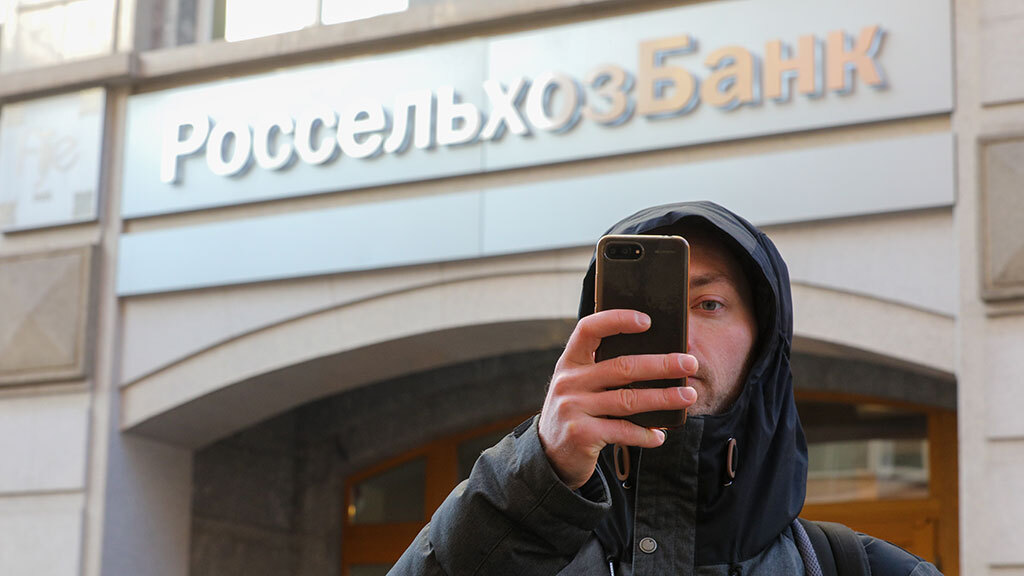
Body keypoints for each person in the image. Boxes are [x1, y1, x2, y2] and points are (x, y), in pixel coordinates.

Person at [391, 201, 942, 575]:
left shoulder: (870, 569)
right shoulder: (523, 553)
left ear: (763, 341)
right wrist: (539, 474)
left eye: (709, 304)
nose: (680, 337)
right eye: (645, 309)